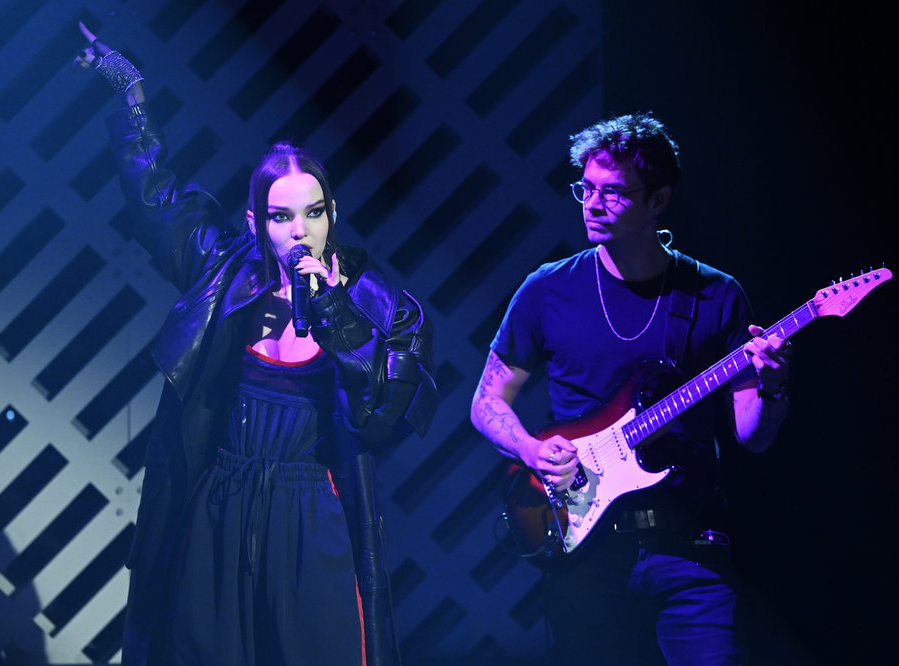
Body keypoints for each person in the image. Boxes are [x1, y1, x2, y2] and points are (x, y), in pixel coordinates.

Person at [73, 23, 437, 666]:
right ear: (256, 222)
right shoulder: (223, 272)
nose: (301, 231)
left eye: (314, 212)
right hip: (218, 504)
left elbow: (384, 417)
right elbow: (156, 201)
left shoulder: (379, 303)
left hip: (311, 512)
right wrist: (130, 95)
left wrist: (334, 312)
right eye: (282, 216)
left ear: (332, 213)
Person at [470, 112, 790, 664]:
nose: (592, 205)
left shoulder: (715, 295)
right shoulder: (548, 289)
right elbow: (485, 401)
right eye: (586, 188)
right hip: (587, 551)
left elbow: (753, 435)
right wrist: (531, 450)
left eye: (614, 193)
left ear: (659, 200)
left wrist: (775, 386)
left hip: (691, 549)